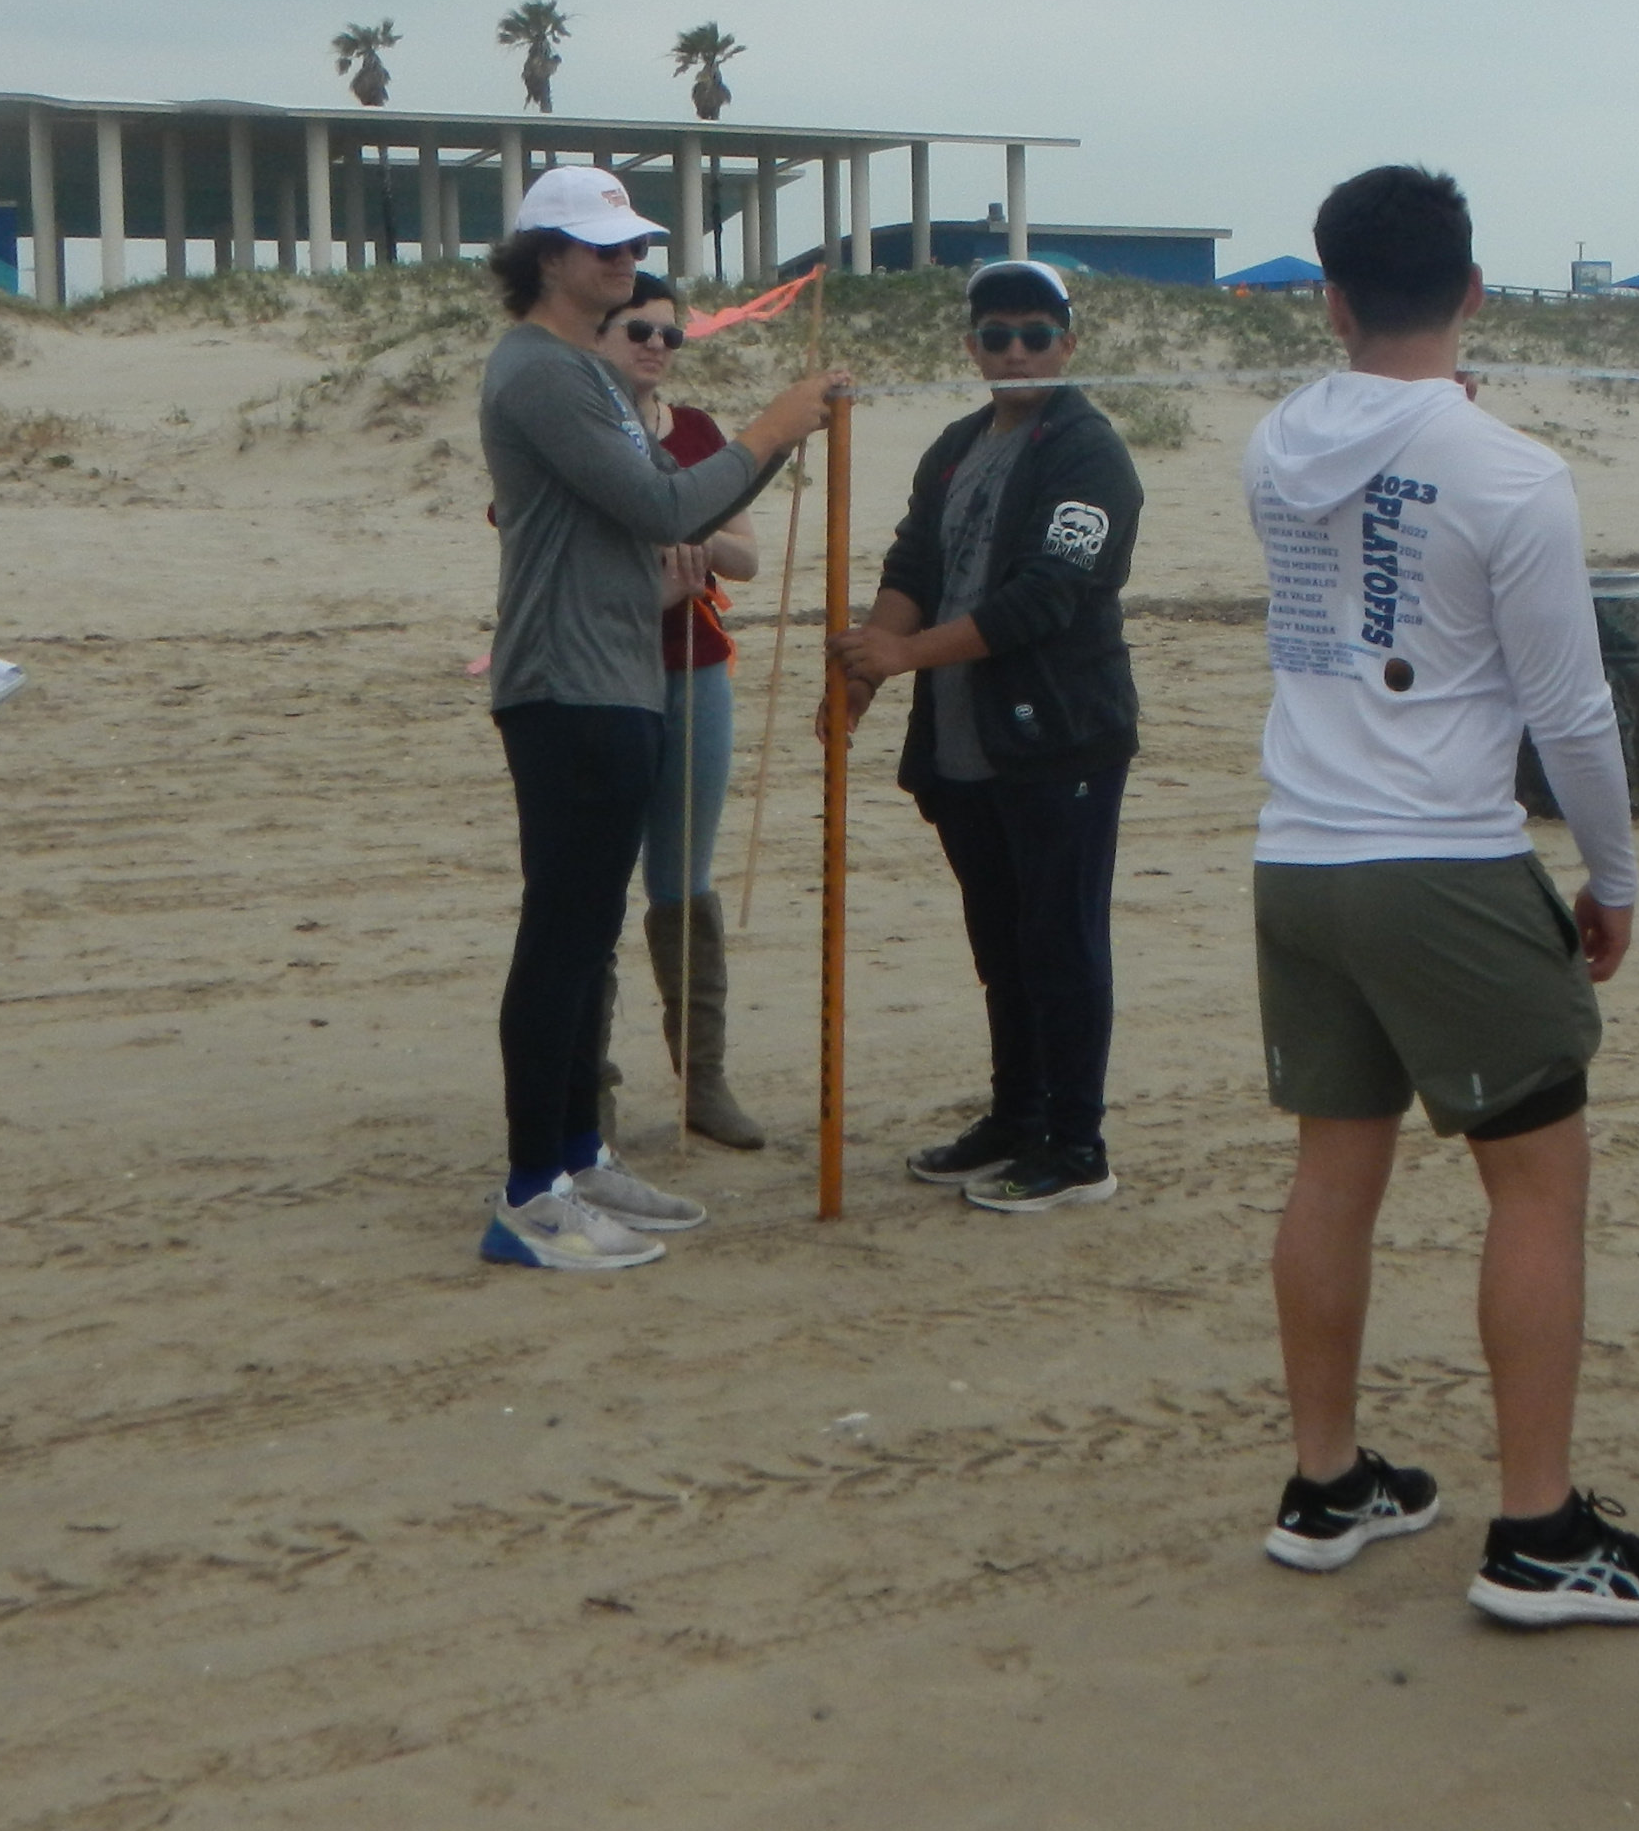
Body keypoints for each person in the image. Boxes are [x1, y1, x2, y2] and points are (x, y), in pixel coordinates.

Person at [1244, 165, 1639, 1628]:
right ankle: (1539, 1527)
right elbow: (1572, 714)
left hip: (1301, 853)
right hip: (1434, 856)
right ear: (1472, 293)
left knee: (1335, 1171)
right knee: (1536, 1185)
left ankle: (1328, 1480)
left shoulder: (1275, 446)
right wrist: (1611, 874)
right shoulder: (1509, 472)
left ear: (1330, 298)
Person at [478, 170, 847, 1270]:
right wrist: (774, 429)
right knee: (561, 943)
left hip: (618, 679)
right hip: (569, 687)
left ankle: (579, 1156)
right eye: (599, 250)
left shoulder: (581, 376)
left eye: (631, 247)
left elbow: (684, 518)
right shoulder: (540, 372)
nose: (621, 265)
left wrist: (752, 449)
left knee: (586, 936)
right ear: (545, 257)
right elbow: (667, 507)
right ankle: (530, 1193)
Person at [832, 260, 1144, 1215]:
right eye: (997, 335)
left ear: (1068, 342)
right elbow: (915, 561)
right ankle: (1015, 1116)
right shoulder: (958, 445)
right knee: (1001, 941)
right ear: (970, 346)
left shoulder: (1088, 453)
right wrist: (864, 671)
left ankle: (1075, 1144)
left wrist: (903, 654)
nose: (1015, 352)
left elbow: (1046, 599)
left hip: (1060, 740)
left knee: (1062, 941)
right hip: (965, 745)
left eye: (1035, 335)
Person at [594, 267, 767, 1150]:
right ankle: (589, 1087)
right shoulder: (573, 423)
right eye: (638, 331)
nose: (656, 346)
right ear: (598, 334)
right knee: (590, 885)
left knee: (684, 879)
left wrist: (684, 537)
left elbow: (744, 557)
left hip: (694, 668)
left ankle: (703, 1079)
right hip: (598, 673)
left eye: (670, 334)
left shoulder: (696, 431)